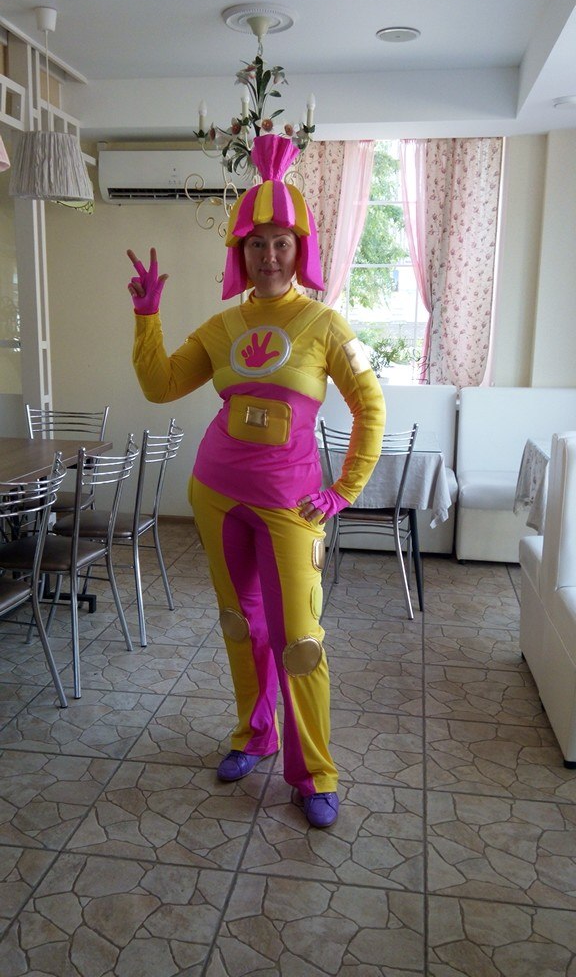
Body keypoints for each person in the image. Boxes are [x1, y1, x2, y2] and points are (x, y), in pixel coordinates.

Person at [128, 133, 385, 828]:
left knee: (300, 639)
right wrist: (147, 317)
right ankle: (254, 733)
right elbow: (160, 385)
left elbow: (371, 407)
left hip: (291, 505)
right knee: (241, 625)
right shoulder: (221, 326)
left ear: (301, 248)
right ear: (238, 252)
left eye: (281, 242)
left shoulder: (326, 324)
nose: (268, 255)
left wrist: (345, 489)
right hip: (216, 494)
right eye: (256, 244)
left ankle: (316, 772)